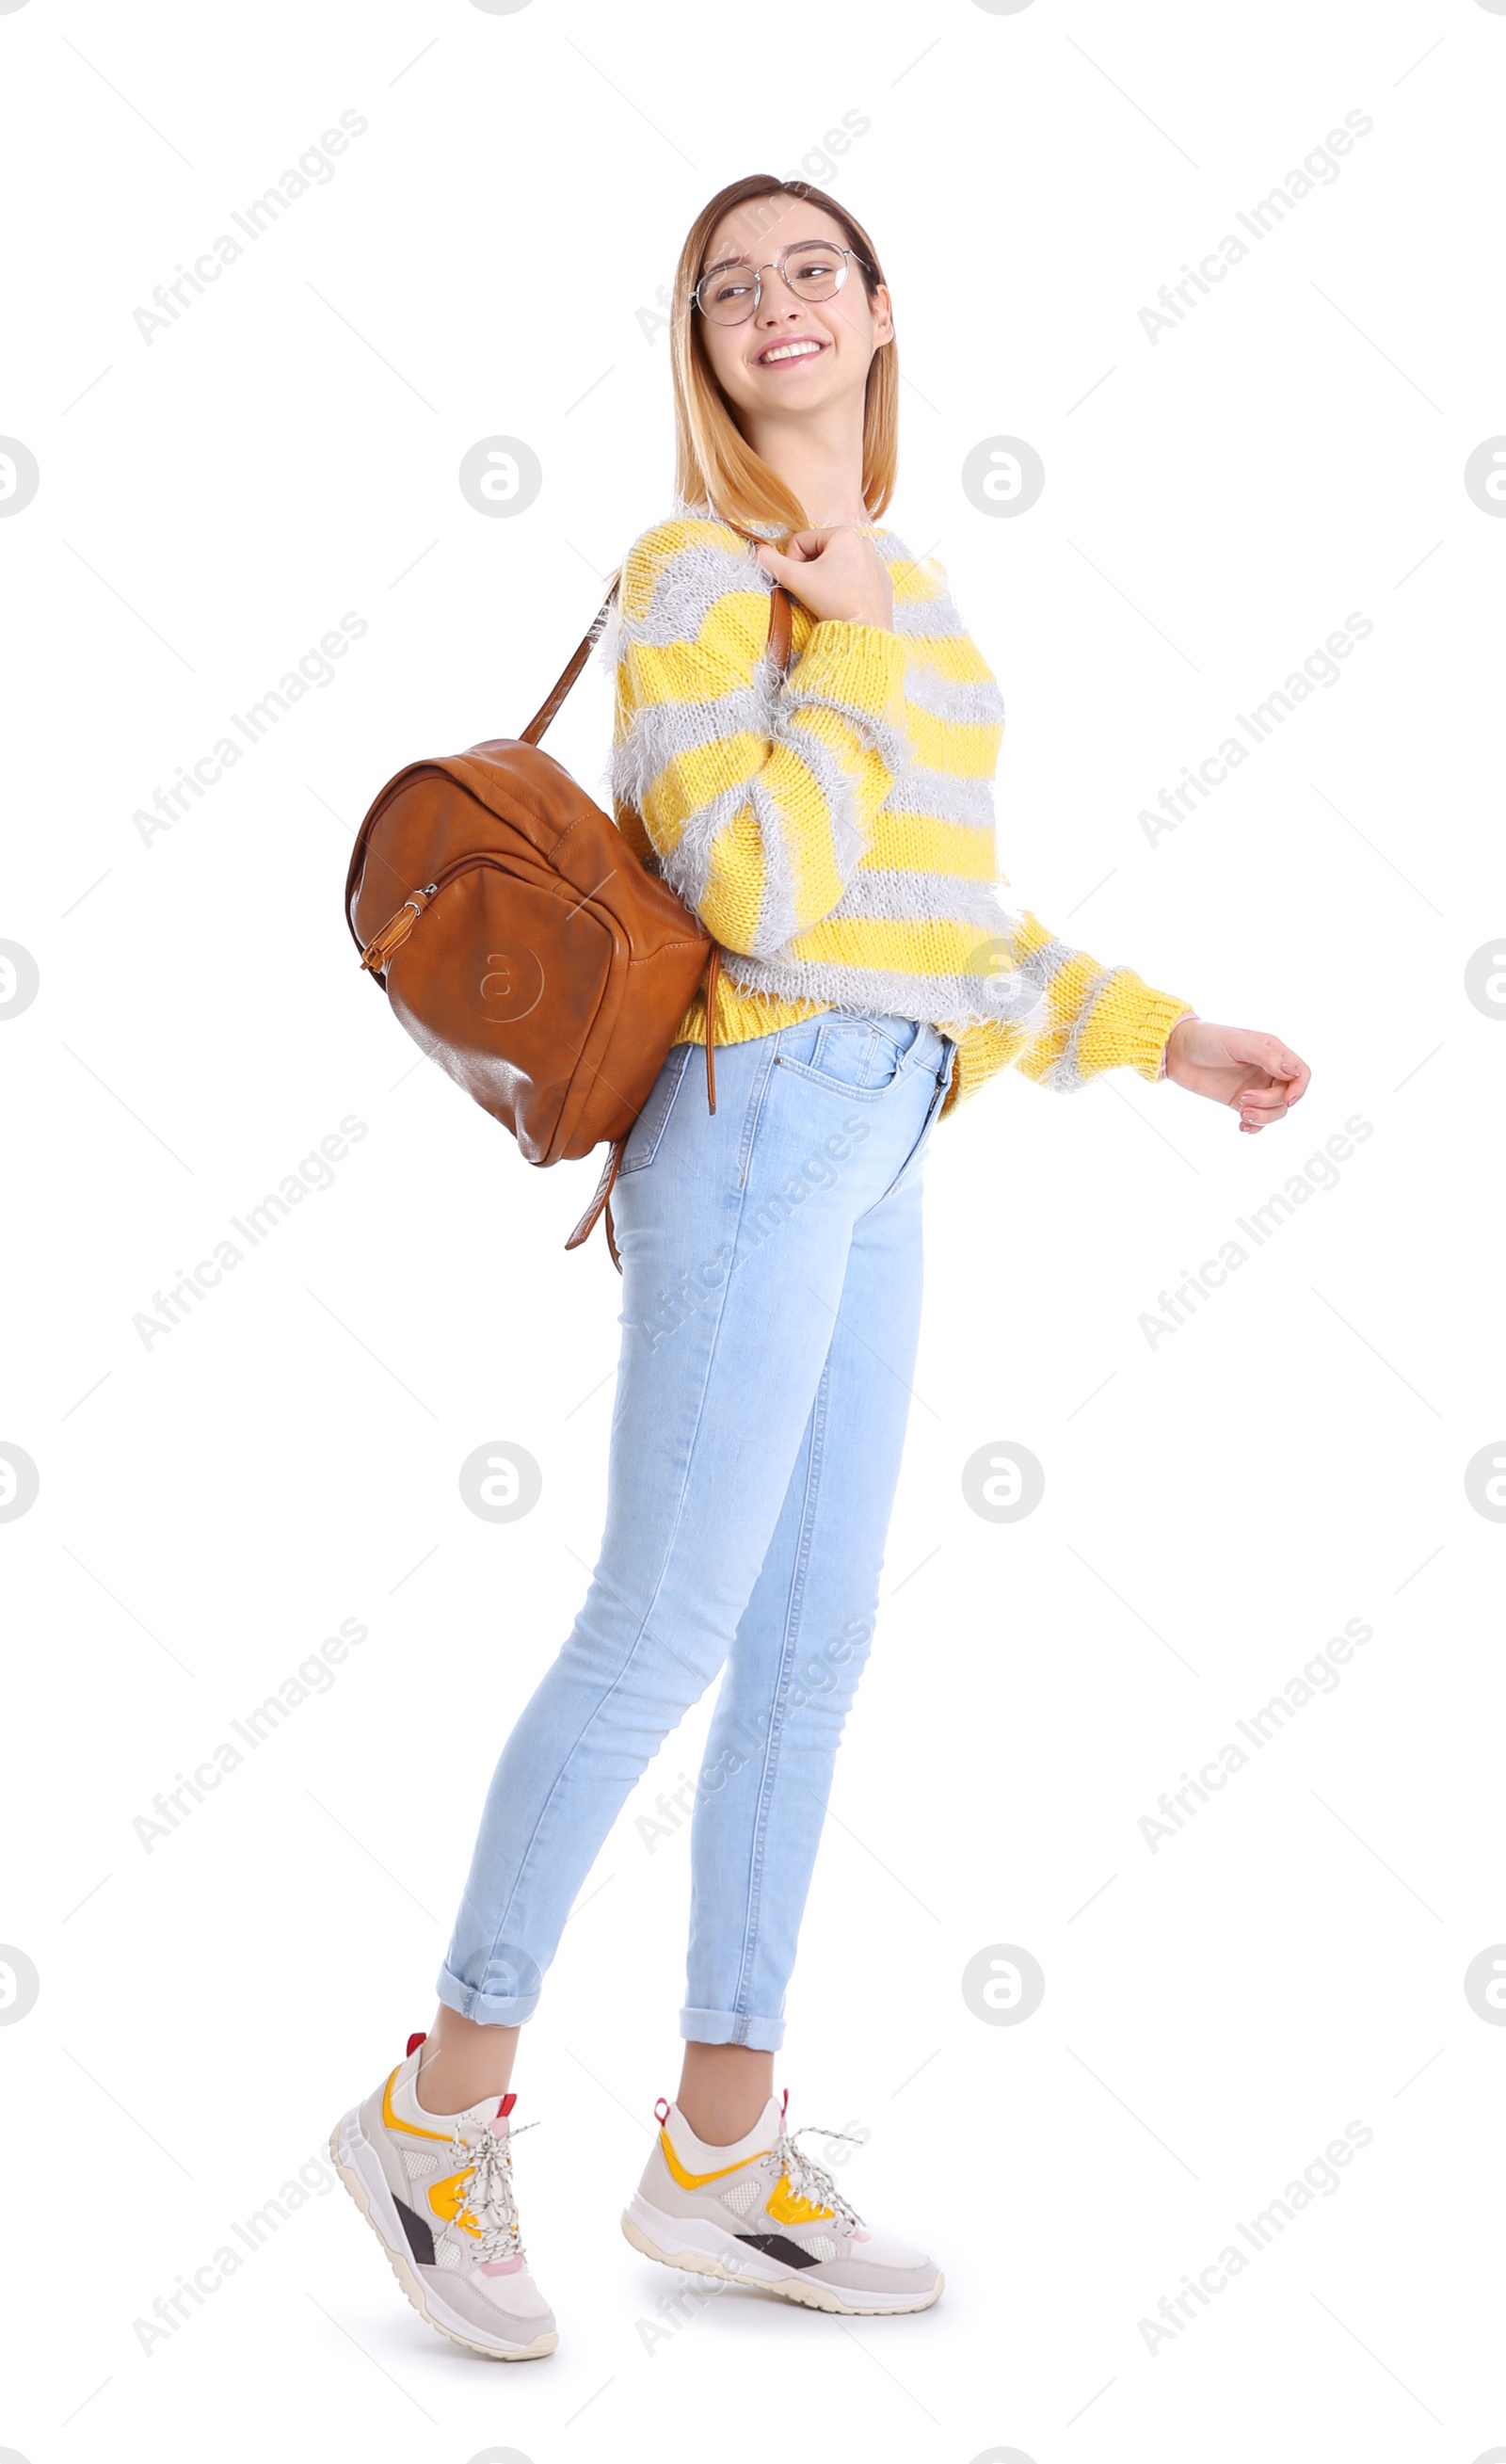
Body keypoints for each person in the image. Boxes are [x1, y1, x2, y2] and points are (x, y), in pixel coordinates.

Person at [330, 172, 1310, 2361]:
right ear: (702, 342)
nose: (775, 302)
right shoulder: (695, 576)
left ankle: (717, 2147)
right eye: (727, 283)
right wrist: (843, 626)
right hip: (750, 1123)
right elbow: (764, 897)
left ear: (879, 312)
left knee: (804, 1644)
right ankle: (437, 2105)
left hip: (879, 1136)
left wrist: (1160, 1036)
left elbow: (937, 933)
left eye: (810, 270)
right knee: (662, 1621)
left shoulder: (917, 604)